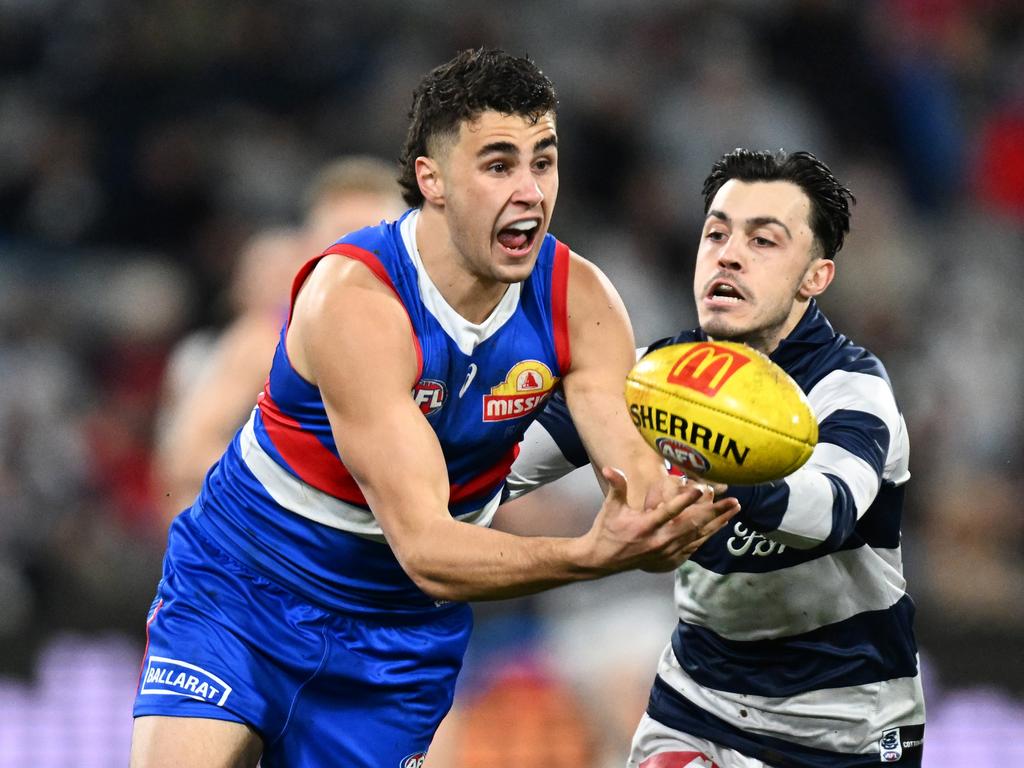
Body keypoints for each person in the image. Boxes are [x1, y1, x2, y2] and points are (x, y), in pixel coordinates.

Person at [130, 48, 739, 768]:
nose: (530, 191)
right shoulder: (355, 303)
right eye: (498, 164)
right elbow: (425, 547)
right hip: (246, 586)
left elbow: (629, 471)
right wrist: (588, 556)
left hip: (396, 632)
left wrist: (685, 499)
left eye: (543, 162)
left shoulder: (583, 302)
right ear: (433, 180)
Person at [506, 149, 925, 767]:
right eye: (717, 233)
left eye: (764, 241)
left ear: (816, 276)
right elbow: (504, 467)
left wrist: (717, 468)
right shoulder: (653, 379)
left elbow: (828, 510)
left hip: (844, 726)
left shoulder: (851, 387)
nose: (729, 254)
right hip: (699, 707)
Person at [153, 157, 407, 526]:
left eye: (370, 236)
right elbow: (186, 455)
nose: (357, 254)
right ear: (308, 247)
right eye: (340, 237)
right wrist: (305, 483)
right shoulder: (266, 338)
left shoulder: (436, 340)